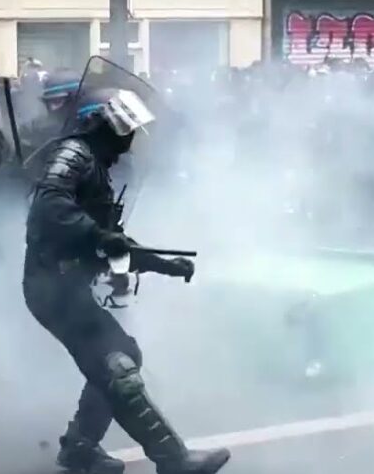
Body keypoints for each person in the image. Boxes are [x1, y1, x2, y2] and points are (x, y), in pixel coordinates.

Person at [22, 86, 229, 474]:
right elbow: (49, 207)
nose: (129, 139)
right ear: (101, 126)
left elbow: (112, 242)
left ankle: (80, 448)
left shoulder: (97, 168)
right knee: (116, 367)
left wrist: (164, 265)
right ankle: (173, 460)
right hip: (52, 286)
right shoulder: (74, 154)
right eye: (123, 130)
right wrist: (98, 235)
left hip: (67, 287)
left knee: (121, 356)